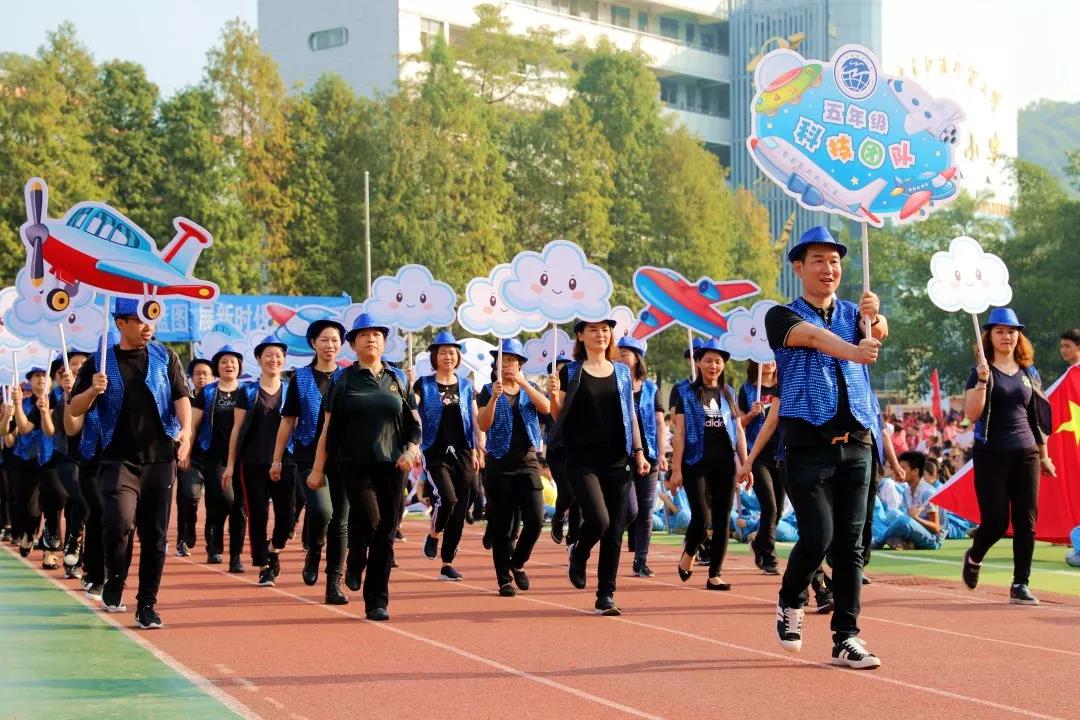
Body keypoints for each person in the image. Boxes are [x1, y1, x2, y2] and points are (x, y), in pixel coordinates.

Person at [762, 225, 886, 669]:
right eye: (818, 260)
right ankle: (790, 598)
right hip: (807, 446)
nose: (828, 268)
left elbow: (880, 330)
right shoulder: (781, 316)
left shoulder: (855, 314)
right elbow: (814, 338)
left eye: (834, 261)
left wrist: (876, 316)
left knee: (852, 545)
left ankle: (846, 636)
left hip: (857, 443)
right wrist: (855, 350)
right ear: (799, 268)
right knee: (819, 535)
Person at [67, 297, 192, 629]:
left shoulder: (166, 357)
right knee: (118, 522)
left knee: (155, 535)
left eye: (152, 318)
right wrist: (92, 391)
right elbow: (74, 408)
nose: (148, 326)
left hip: (160, 458)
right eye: (140, 320)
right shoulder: (99, 361)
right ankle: (115, 577)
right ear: (121, 323)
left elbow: (181, 397)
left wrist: (187, 432)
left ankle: (147, 604)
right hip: (118, 458)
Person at [307, 313, 421, 621]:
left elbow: (414, 424)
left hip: (393, 466)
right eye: (364, 335)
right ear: (353, 344)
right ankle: (356, 558)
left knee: (387, 531)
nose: (371, 339)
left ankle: (377, 601)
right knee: (371, 520)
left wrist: (412, 449)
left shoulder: (399, 379)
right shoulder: (342, 380)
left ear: (384, 342)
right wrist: (317, 469)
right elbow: (327, 429)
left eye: (376, 335)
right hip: (354, 465)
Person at [549, 319, 650, 617]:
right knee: (599, 519)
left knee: (615, 530)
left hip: (618, 460)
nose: (600, 335)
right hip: (581, 460)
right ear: (581, 335)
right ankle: (579, 552)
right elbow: (558, 415)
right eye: (593, 330)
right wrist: (552, 395)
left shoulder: (622, 372)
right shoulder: (570, 371)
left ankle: (606, 594)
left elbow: (630, 415)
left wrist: (639, 452)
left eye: (605, 330)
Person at [962, 308, 1054, 605]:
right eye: (1000, 331)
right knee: (996, 521)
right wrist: (981, 382)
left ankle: (1020, 583)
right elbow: (971, 414)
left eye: (1012, 331)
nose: (1006, 336)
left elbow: (1037, 418)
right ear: (989, 336)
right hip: (991, 453)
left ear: (1019, 336)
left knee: (1027, 521)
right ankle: (974, 556)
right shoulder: (980, 371)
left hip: (1027, 453)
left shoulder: (1030, 372)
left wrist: (1044, 456)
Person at [669, 338, 751, 591]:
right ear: (698, 363)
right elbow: (680, 433)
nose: (713, 366)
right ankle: (689, 551)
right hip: (696, 462)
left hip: (725, 464)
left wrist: (745, 463)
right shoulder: (685, 393)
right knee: (702, 517)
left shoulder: (728, 393)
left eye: (717, 361)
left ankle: (715, 574)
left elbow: (738, 430)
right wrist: (676, 469)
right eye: (708, 361)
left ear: (723, 365)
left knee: (723, 518)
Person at [271, 318, 345, 589]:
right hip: (307, 455)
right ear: (313, 343)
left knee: (341, 521)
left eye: (335, 340)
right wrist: (277, 459)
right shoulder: (300, 378)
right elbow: (288, 421)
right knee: (323, 510)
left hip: (343, 456)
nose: (330, 345)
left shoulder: (349, 376)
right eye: (324, 340)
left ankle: (334, 582)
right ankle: (314, 550)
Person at [476, 339, 551, 596]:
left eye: (512, 360)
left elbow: (546, 408)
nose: (507, 364)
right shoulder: (488, 390)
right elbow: (483, 424)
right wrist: (494, 399)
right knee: (503, 525)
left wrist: (523, 383)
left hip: (528, 462)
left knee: (536, 520)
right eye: (503, 360)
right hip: (499, 464)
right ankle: (503, 579)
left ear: (520, 364)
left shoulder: (530, 388)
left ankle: (517, 562)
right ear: (495, 365)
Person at [224, 336, 293, 588]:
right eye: (268, 355)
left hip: (286, 461)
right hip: (253, 462)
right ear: (258, 359)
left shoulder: (292, 389)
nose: (273, 360)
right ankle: (264, 566)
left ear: (284, 359)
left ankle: (273, 548)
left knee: (287, 519)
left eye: (278, 356)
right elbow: (237, 428)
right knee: (258, 515)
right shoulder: (248, 391)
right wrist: (231, 464)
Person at [414, 331, 480, 581]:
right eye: (443, 353)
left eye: (452, 353)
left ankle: (447, 563)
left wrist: (478, 448)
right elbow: (411, 408)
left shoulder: (466, 385)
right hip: (435, 450)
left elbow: (475, 418)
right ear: (434, 356)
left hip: (463, 451)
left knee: (461, 508)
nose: (448, 357)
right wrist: (407, 390)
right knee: (448, 499)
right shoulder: (423, 384)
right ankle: (433, 534)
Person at [191, 345, 246, 572]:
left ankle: (236, 556)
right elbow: (193, 425)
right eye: (224, 361)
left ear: (239, 366)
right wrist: (185, 450)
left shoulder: (248, 392)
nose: (229, 365)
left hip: (243, 457)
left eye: (233, 361)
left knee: (240, 507)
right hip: (214, 457)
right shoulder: (207, 393)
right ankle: (214, 544)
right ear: (217, 367)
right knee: (222, 500)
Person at [616, 337, 667, 578]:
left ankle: (641, 560)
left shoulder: (651, 388)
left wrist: (662, 453)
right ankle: (606, 538)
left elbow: (659, 422)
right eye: (618, 354)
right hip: (622, 456)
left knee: (646, 511)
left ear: (637, 358)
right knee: (630, 510)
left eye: (625, 354)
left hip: (650, 455)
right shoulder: (613, 384)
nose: (620, 358)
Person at [739, 359, 783, 575]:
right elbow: (737, 423)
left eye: (772, 358)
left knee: (779, 511)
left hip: (781, 453)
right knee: (770, 507)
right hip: (756, 455)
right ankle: (768, 555)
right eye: (764, 358)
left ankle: (758, 543)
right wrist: (750, 415)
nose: (769, 363)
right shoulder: (747, 390)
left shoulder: (783, 385)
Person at [12, 368, 59, 566]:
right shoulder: (25, 403)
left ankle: (50, 551)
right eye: (36, 376)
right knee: (31, 508)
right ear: (29, 381)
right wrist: (16, 405)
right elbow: (22, 428)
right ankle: (30, 533)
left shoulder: (58, 398)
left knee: (53, 506)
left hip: (52, 460)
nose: (41, 379)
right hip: (28, 460)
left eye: (44, 375)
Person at [51, 352, 91, 579]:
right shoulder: (60, 398)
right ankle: (74, 540)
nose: (78, 366)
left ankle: (78, 559)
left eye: (83, 363)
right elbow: (71, 429)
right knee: (82, 499)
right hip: (68, 458)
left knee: (85, 507)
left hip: (93, 459)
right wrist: (69, 394)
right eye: (73, 363)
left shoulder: (100, 390)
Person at [175, 358, 213, 558]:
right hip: (190, 458)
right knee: (188, 496)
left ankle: (213, 545)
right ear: (190, 377)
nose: (202, 377)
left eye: (206, 373)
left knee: (218, 502)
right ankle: (185, 536)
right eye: (198, 373)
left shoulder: (219, 398)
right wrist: (184, 453)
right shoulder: (184, 399)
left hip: (215, 458)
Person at [873, 451, 944, 550]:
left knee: (903, 521)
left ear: (915, 471)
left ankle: (877, 541)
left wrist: (916, 518)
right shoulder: (907, 491)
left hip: (933, 539)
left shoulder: (928, 492)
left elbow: (936, 528)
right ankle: (905, 542)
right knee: (890, 515)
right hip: (915, 529)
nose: (898, 471)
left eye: (903, 468)